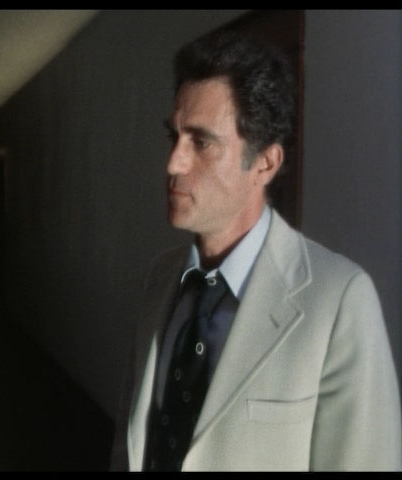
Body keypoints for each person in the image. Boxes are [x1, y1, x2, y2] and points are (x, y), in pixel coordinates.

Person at [111, 30, 402, 471]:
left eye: (201, 142)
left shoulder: (339, 301)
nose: (173, 162)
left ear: (265, 162)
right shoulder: (160, 278)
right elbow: (131, 442)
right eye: (174, 137)